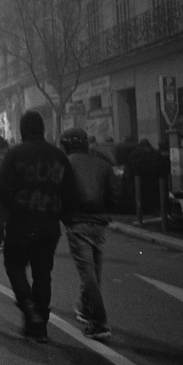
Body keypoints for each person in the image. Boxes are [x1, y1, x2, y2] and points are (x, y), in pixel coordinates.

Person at [0, 111, 77, 343]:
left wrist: (15, 207)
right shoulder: (58, 156)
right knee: (43, 274)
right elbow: (70, 192)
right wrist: (59, 213)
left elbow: (3, 188)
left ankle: (29, 309)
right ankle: (40, 321)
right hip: (48, 225)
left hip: (21, 223)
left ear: (23, 130)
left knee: (14, 266)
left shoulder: (14, 154)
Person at [60, 128, 119, 342]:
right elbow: (115, 196)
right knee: (94, 270)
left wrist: (64, 215)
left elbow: (60, 193)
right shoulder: (103, 165)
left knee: (88, 274)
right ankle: (85, 309)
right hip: (99, 223)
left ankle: (99, 323)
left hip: (77, 222)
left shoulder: (66, 164)